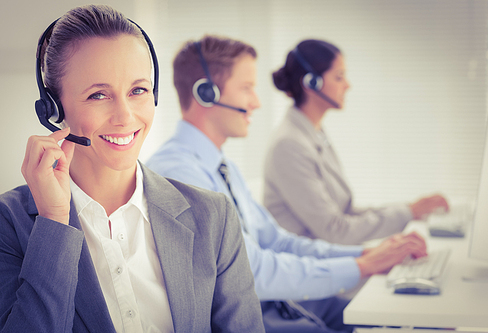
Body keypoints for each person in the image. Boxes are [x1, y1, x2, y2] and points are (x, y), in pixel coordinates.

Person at [0, 5, 264, 333]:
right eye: (98, 95)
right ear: (53, 108)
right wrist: (54, 219)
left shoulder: (212, 216)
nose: (125, 116)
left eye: (138, 90)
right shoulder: (9, 224)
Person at [146, 35, 428, 333]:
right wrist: (361, 267)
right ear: (206, 93)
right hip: (248, 319)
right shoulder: (179, 175)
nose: (256, 102)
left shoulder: (222, 166)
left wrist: (363, 254)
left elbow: (277, 241)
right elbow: (250, 272)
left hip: (277, 306)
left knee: (417, 321)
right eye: (247, 88)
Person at [264, 39, 449, 245]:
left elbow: (345, 212)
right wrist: (407, 213)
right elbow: (335, 230)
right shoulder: (290, 145)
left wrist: (409, 209)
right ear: (311, 82)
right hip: (311, 266)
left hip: (331, 256)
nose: (348, 85)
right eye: (339, 76)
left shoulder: (313, 133)